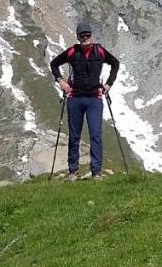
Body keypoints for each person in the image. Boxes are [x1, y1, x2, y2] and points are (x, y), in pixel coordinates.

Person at [50, 22, 120, 180]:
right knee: (74, 135)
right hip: (75, 98)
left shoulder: (99, 51)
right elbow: (54, 64)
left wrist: (108, 84)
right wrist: (61, 81)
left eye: (87, 35)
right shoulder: (72, 52)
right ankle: (73, 171)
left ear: (91, 35)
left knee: (96, 135)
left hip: (94, 98)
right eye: (82, 35)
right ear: (78, 36)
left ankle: (96, 172)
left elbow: (115, 64)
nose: (85, 38)